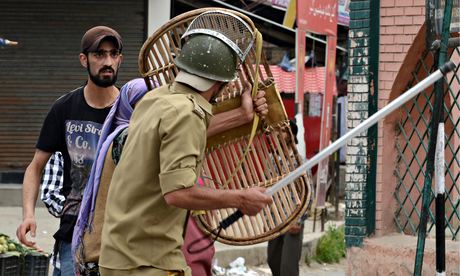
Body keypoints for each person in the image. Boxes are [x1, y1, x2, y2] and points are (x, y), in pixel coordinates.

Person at [98, 23, 273, 275]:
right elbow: (178, 193)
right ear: (219, 84)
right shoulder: (187, 114)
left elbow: (184, 130)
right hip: (148, 264)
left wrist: (242, 115)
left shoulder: (156, 99)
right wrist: (240, 198)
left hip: (118, 257)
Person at [16, 25, 124, 275]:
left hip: (120, 233)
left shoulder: (130, 110)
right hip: (74, 233)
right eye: (99, 54)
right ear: (83, 59)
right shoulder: (64, 108)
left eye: (113, 53)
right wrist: (28, 215)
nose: (107, 61)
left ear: (119, 58)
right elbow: (35, 167)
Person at [267, 119, 306, 276]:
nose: (278, 135)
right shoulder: (273, 161)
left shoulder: (299, 161)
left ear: (291, 135)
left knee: (288, 267)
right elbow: (268, 190)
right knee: (273, 260)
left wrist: (299, 219)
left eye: (282, 131)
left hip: (293, 218)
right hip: (276, 219)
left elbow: (307, 193)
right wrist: (267, 218)